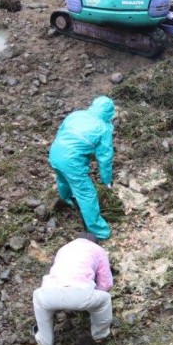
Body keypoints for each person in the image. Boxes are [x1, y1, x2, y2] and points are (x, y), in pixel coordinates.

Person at [48, 97, 115, 240]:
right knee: (87, 193)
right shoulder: (103, 128)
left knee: (62, 178)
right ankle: (99, 231)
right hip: (71, 161)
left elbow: (61, 131)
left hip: (55, 151)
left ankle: (66, 199)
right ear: (110, 113)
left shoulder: (77, 114)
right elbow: (105, 158)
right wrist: (106, 180)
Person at [32, 233, 113, 345]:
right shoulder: (98, 250)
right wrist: (92, 302)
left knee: (38, 298)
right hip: (80, 295)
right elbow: (106, 284)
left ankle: (45, 341)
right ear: (95, 242)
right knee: (105, 299)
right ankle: (100, 335)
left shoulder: (64, 248)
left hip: (49, 293)